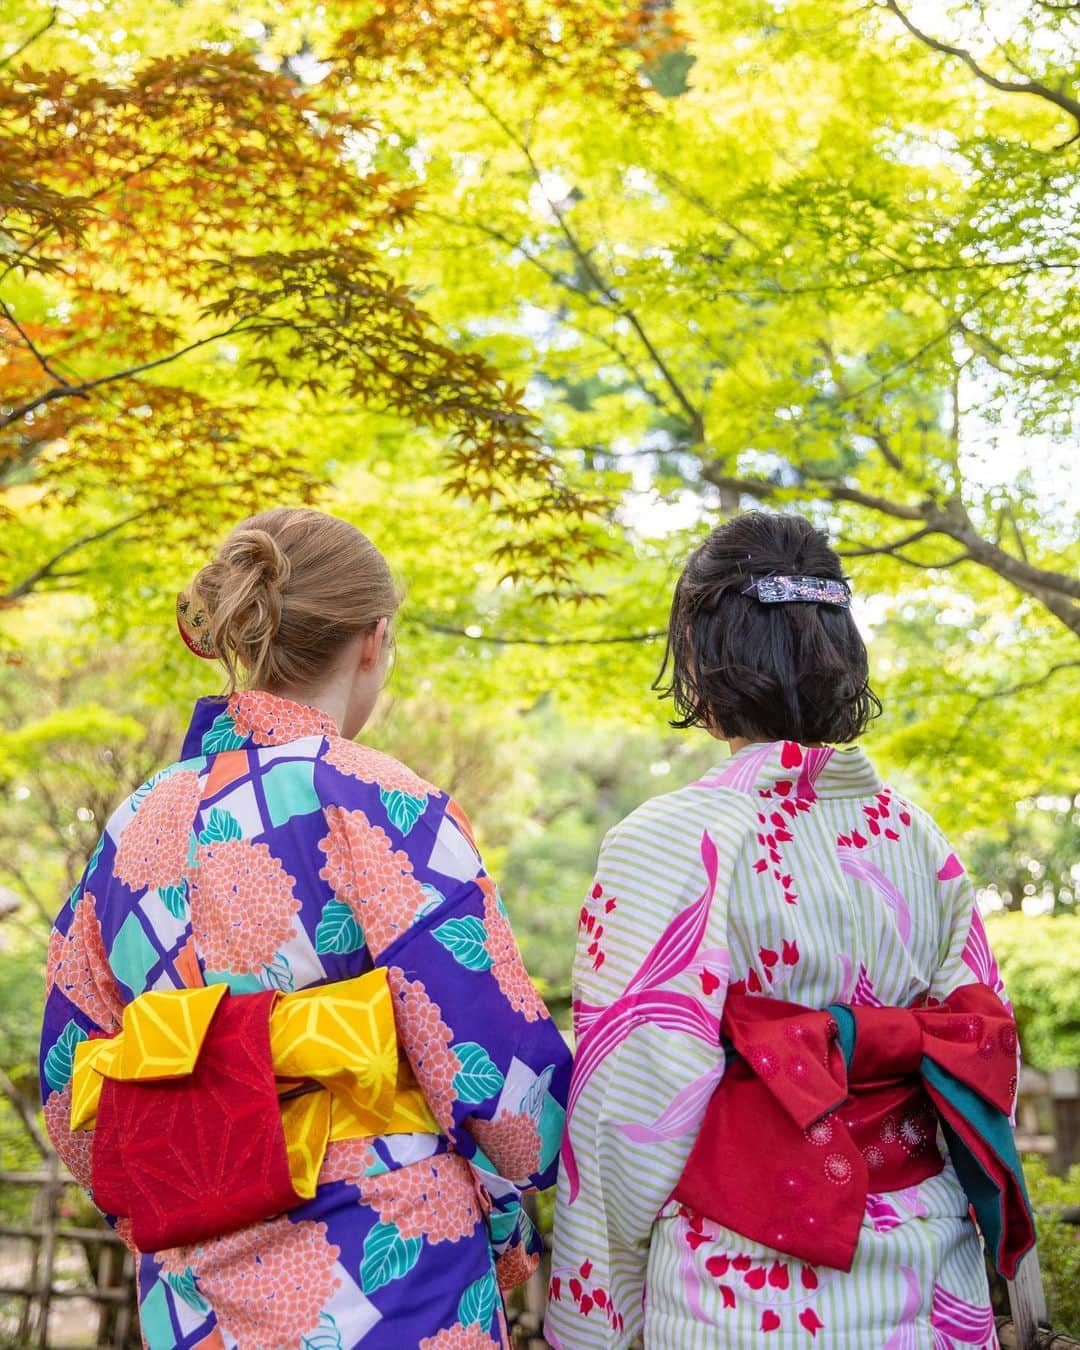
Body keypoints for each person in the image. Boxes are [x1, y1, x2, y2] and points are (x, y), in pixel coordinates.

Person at [40, 507, 571, 1350]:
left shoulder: (134, 826)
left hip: (192, 1281)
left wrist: (179, 1193)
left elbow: (73, 1091)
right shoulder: (382, 799)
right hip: (388, 1254)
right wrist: (529, 1190)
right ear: (373, 639)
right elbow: (499, 1078)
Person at [546, 512, 1032, 1349]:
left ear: (700, 656)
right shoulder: (919, 838)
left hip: (743, 1292)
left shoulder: (670, 838)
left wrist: (593, 1314)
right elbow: (985, 1062)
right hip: (933, 1281)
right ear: (842, 650)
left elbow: (630, 1106)